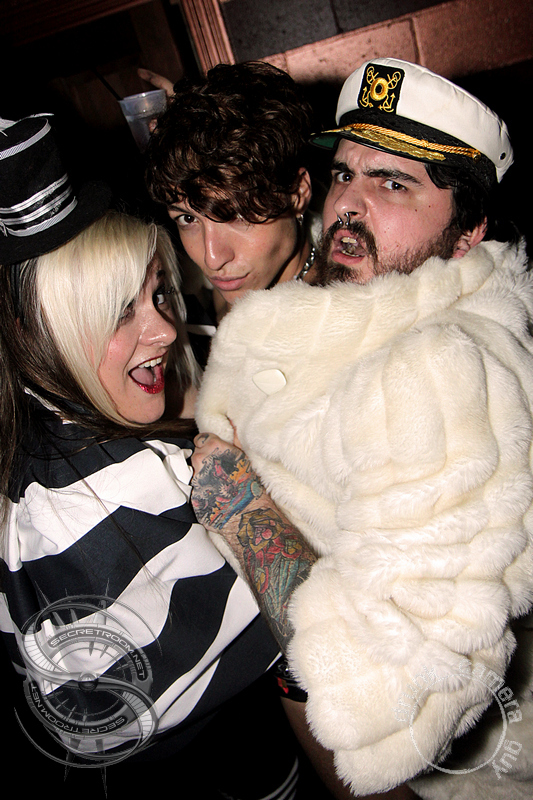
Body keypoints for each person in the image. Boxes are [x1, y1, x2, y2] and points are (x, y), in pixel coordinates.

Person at [190, 59, 533, 799]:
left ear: (468, 231)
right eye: (344, 173)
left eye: (394, 183)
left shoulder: (440, 372)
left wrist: (243, 510)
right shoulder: (383, 298)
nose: (348, 203)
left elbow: (393, 692)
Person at [0, 113, 307, 800]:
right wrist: (246, 505)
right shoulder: (94, 502)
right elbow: (320, 637)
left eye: (157, 293)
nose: (164, 329)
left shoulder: (60, 432)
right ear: (36, 329)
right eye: (119, 310)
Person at [144, 61, 320, 326]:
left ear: (297, 193)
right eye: (188, 219)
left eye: (237, 215)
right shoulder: (238, 279)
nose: (211, 258)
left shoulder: (330, 324)